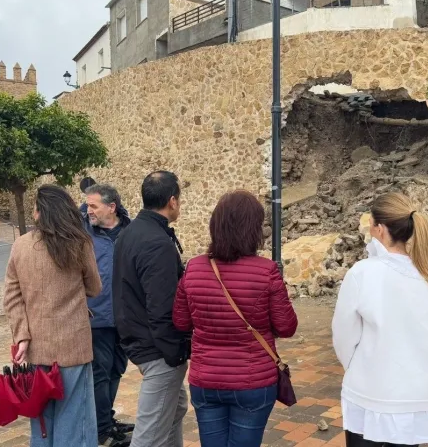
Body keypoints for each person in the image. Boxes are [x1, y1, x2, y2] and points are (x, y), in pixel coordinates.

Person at [173, 190, 298, 447]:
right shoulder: (267, 271)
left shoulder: (194, 267)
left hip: (205, 379)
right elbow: (286, 328)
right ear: (253, 229)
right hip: (253, 381)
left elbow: (181, 322)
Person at [332, 192, 428, 447]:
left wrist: (359, 368)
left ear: (380, 229)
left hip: (370, 389)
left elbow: (343, 335)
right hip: (416, 390)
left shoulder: (363, 273)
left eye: (370, 224)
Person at [3, 185, 102, 447]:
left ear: (37, 213)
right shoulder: (79, 243)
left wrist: (22, 337)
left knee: (42, 420)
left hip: (36, 346)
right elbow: (95, 288)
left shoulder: (21, 246)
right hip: (74, 345)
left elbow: (12, 297)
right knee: (75, 418)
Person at [113, 171, 191, 447]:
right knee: (148, 436)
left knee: (176, 407)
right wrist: (176, 352)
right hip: (157, 348)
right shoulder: (158, 244)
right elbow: (162, 308)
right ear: (172, 201)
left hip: (137, 339)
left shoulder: (130, 232)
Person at [83, 184, 134, 447]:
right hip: (96, 316)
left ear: (111, 207)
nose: (88, 210)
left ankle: (107, 419)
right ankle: (101, 429)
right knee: (99, 373)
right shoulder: (82, 233)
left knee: (116, 369)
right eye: (87, 205)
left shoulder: (131, 230)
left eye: (93, 205)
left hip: (126, 318)